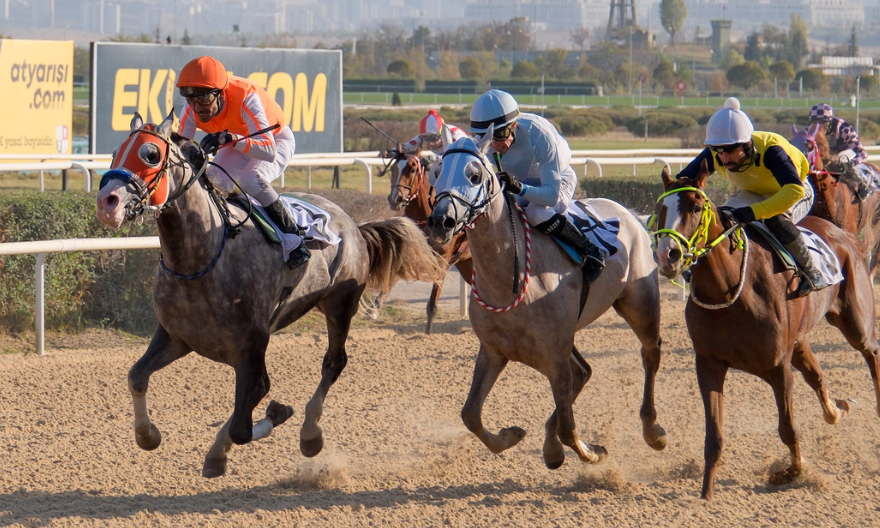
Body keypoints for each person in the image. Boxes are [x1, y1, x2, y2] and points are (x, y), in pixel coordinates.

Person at [677, 97, 827, 297]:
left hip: (795, 189)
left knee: (776, 220)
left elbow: (794, 190)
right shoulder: (717, 152)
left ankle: (811, 271)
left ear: (747, 145)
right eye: (717, 151)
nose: (723, 157)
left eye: (730, 151)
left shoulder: (771, 150)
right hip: (754, 191)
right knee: (723, 219)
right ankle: (700, 266)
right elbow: (683, 181)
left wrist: (755, 211)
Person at [176, 55, 310, 268]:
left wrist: (232, 139)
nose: (197, 107)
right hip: (239, 143)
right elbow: (180, 150)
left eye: (204, 99)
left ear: (220, 94)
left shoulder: (246, 97)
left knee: (250, 179)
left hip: (275, 140)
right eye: (190, 99)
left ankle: (294, 239)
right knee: (214, 179)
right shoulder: (192, 108)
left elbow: (268, 151)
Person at [469, 89, 605, 280]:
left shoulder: (539, 133)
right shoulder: (486, 142)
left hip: (556, 181)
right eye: (486, 136)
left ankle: (590, 251)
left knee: (536, 212)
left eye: (498, 135)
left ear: (514, 126)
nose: (492, 145)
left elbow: (550, 195)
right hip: (519, 184)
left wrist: (520, 188)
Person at [809, 102, 870, 198]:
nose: (818, 127)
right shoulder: (809, 131)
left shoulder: (843, 129)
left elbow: (863, 153)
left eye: (822, 123)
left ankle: (862, 186)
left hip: (845, 155)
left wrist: (850, 164)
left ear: (829, 122)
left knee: (842, 159)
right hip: (826, 158)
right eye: (814, 123)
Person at [381, 109, 468, 162]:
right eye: (425, 139)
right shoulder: (426, 135)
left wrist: (432, 159)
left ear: (442, 134)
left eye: (433, 139)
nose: (430, 144)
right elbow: (406, 146)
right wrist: (390, 152)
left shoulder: (456, 136)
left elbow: (454, 158)